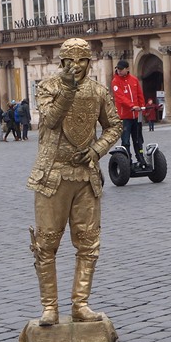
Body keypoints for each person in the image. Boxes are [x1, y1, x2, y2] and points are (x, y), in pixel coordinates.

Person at [27, 38, 122, 326]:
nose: (77, 66)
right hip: (52, 175)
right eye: (72, 60)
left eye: (83, 60)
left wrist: (96, 149)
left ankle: (81, 303)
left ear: (89, 62)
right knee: (46, 243)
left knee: (88, 244)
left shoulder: (98, 91)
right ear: (62, 61)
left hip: (85, 176)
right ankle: (49, 307)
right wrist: (67, 89)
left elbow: (114, 125)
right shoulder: (47, 87)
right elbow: (52, 119)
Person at [111, 59, 147, 167]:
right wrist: (132, 106)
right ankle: (127, 160)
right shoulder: (115, 82)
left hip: (136, 116)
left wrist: (142, 107)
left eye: (121, 69)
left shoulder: (134, 80)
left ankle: (140, 158)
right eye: (118, 69)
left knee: (138, 139)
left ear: (127, 69)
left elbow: (139, 95)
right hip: (124, 116)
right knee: (125, 140)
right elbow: (120, 97)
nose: (119, 71)